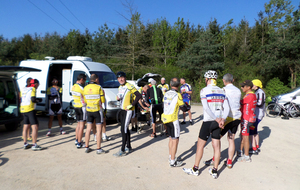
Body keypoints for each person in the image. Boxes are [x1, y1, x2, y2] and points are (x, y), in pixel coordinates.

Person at [183, 70, 229, 179]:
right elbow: (227, 107)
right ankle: (214, 171)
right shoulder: (222, 90)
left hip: (209, 121)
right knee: (217, 146)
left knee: (200, 146)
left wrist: (217, 119)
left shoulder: (204, 90)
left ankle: (195, 169)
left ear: (206, 79)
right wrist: (223, 119)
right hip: (220, 121)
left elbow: (206, 108)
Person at [204, 73, 241, 169]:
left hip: (227, 118)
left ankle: (214, 159)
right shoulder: (238, 90)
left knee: (216, 139)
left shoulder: (223, 90)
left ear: (223, 81)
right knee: (231, 139)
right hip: (237, 117)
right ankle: (229, 161)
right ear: (233, 80)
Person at [114, 71, 142, 157]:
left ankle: (122, 149)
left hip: (128, 110)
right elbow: (122, 97)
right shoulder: (120, 87)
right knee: (125, 128)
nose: (121, 79)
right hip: (122, 110)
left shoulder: (129, 86)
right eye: (119, 78)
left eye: (122, 77)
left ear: (125, 77)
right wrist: (118, 98)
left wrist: (132, 105)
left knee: (123, 129)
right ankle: (129, 146)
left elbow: (139, 95)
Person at [161, 77, 186, 167]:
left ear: (170, 85)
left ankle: (170, 156)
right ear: (179, 85)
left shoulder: (166, 93)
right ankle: (172, 161)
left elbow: (163, 104)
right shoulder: (178, 95)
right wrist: (187, 107)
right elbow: (183, 107)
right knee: (175, 140)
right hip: (173, 119)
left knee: (171, 138)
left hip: (166, 119)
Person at [83, 74, 106, 154]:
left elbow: (85, 100)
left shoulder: (85, 88)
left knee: (88, 129)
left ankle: (86, 147)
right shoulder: (99, 87)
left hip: (89, 110)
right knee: (98, 130)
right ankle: (98, 149)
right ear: (96, 79)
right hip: (97, 110)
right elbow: (102, 100)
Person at [20, 79, 43, 151]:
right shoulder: (33, 89)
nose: (38, 87)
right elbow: (33, 99)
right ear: (35, 84)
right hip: (30, 109)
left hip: (23, 108)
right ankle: (34, 144)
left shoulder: (23, 89)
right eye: (38, 85)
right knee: (35, 126)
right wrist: (39, 100)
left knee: (25, 126)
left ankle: (25, 143)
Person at [238, 80, 257, 162]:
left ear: (249, 87)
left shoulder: (249, 96)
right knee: (243, 135)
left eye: (243, 86)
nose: (241, 88)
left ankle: (246, 156)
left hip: (246, 119)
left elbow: (238, 102)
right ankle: (240, 151)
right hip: (248, 118)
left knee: (245, 137)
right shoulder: (251, 95)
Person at [249, 79, 265, 155]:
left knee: (251, 131)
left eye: (253, 84)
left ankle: (254, 148)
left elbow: (260, 103)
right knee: (255, 131)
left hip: (258, 115)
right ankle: (257, 146)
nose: (251, 86)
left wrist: (251, 103)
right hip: (256, 114)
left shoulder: (260, 92)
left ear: (256, 85)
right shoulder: (257, 92)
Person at [71, 73, 87, 148]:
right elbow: (85, 98)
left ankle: (77, 139)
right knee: (82, 126)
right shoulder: (81, 88)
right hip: (82, 107)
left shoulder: (73, 87)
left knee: (78, 124)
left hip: (76, 106)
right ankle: (79, 143)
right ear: (81, 79)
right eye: (84, 80)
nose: (85, 81)